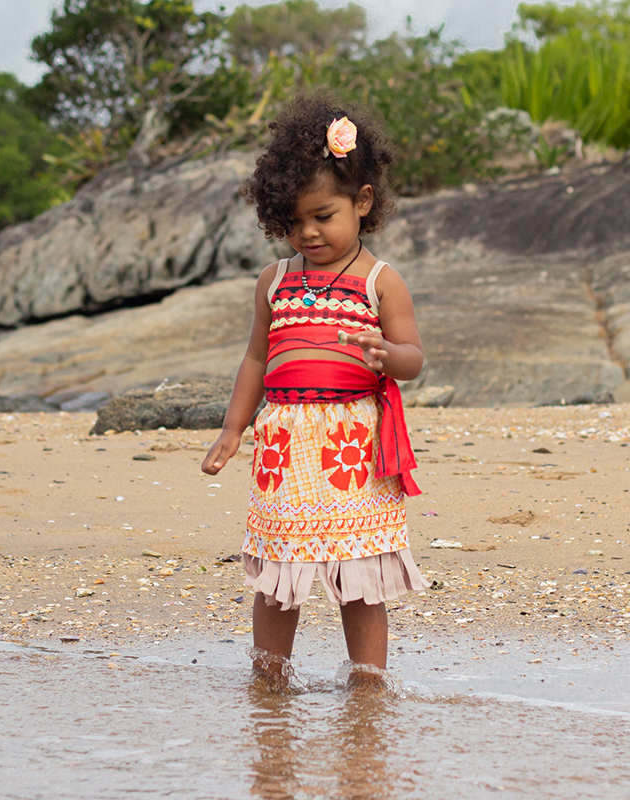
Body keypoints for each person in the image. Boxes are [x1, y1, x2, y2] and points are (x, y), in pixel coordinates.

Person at [201, 94, 427, 685]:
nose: (308, 232)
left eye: (323, 216)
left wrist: (387, 354)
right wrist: (233, 427)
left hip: (353, 441)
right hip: (282, 441)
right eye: (293, 221)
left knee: (359, 576)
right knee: (280, 575)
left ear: (363, 202)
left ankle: (368, 682)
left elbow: (413, 357)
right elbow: (256, 358)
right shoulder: (273, 281)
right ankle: (269, 676)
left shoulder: (381, 281)